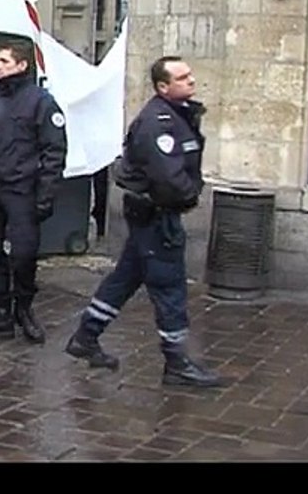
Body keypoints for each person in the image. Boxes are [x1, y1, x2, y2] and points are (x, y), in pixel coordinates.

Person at [64, 55, 224, 388]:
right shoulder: (158, 123)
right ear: (163, 87)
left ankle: (85, 337)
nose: (191, 80)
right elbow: (167, 176)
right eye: (182, 77)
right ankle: (176, 362)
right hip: (157, 217)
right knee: (169, 286)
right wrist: (189, 196)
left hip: (153, 216)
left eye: (190, 74)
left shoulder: (177, 116)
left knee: (125, 278)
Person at [0, 39, 68, 344]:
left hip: (22, 190)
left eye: (4, 61)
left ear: (22, 65)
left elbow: (54, 152)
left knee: (23, 255)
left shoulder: (40, 102)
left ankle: (24, 309)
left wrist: (46, 195)